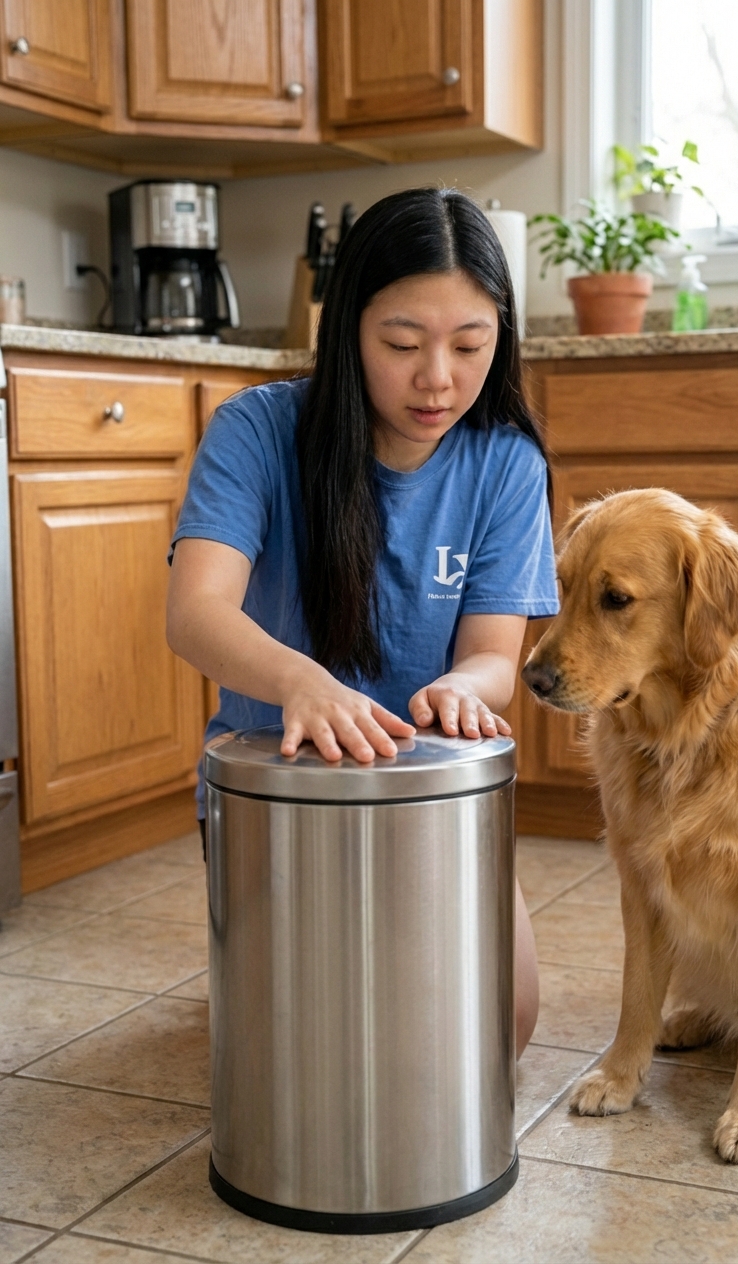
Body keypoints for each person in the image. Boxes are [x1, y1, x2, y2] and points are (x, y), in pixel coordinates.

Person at [166, 186, 558, 1055]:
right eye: (403, 344)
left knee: (503, 1028)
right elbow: (194, 614)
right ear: (349, 329)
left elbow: (495, 658)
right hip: (278, 794)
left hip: (431, 797)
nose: (438, 380)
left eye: (470, 346)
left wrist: (462, 687)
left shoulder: (505, 462)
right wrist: (303, 684)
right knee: (316, 1047)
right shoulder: (257, 431)